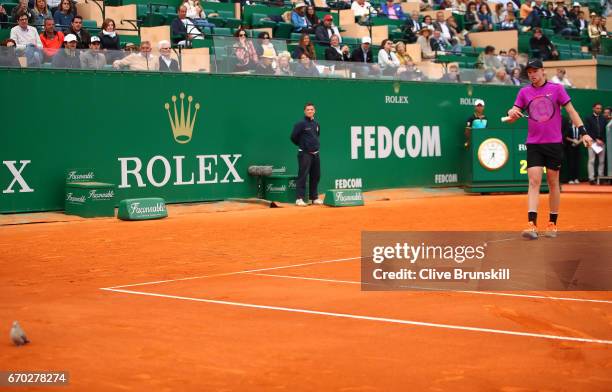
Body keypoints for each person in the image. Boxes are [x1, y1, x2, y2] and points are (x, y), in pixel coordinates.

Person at [505, 59, 592, 239]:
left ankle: (552, 223)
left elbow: (572, 111)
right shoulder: (524, 92)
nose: (532, 75)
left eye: (535, 71)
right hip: (534, 144)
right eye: (529, 72)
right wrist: (511, 114)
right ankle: (532, 224)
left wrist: (584, 132)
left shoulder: (557, 89)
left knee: (553, 183)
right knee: (534, 181)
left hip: (553, 144)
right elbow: (513, 112)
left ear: (543, 71)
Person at [291, 102, 322, 206]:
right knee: (303, 176)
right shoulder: (300, 124)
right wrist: (302, 145)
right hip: (305, 154)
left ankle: (314, 198)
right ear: (305, 111)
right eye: (308, 110)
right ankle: (299, 199)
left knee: (316, 176)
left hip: (315, 154)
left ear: (314, 111)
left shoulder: (316, 124)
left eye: (312, 109)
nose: (310, 111)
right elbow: (293, 137)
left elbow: (316, 136)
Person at [584, 102, 607, 184]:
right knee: (591, 160)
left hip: (602, 142)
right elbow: (588, 130)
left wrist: (602, 140)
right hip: (592, 142)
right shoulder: (588, 118)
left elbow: (605, 131)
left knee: (601, 161)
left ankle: (600, 178)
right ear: (593, 108)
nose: (599, 110)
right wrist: (596, 139)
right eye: (597, 108)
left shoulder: (604, 118)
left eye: (600, 108)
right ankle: (591, 178)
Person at [562, 115, 583, 184]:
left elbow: (582, 136)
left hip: (578, 146)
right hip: (569, 147)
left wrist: (578, 142)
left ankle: (576, 178)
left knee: (577, 163)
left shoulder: (580, 127)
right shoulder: (568, 126)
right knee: (570, 163)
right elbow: (565, 136)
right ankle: (570, 179)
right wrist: (573, 141)